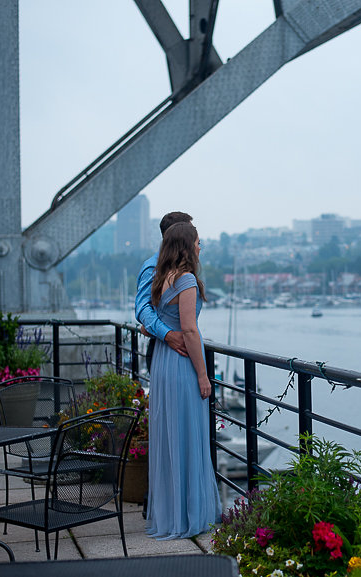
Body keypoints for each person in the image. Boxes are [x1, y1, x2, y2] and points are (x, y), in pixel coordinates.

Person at [146, 221, 221, 539]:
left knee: (170, 437)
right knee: (188, 435)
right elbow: (190, 330)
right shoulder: (187, 279)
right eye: (198, 242)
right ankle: (190, 516)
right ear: (187, 246)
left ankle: (172, 513)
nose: (200, 247)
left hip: (163, 363)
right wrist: (204, 376)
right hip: (181, 366)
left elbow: (149, 322)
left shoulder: (163, 279)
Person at [135, 212, 193, 367]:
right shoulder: (153, 266)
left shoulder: (178, 266)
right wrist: (168, 334)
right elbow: (142, 308)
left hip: (177, 346)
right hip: (164, 347)